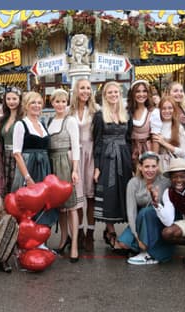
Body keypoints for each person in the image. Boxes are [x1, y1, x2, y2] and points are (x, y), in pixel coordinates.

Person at [93, 81, 133, 248]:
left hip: (123, 157)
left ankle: (129, 234)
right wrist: (96, 166)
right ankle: (110, 231)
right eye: (110, 92)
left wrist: (131, 160)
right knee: (108, 194)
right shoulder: (100, 115)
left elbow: (129, 139)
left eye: (116, 92)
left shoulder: (126, 114)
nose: (113, 95)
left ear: (120, 93)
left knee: (124, 193)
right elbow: (97, 142)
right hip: (107, 158)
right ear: (105, 95)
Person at [114, 152, 172, 264]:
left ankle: (149, 251)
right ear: (140, 167)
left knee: (146, 212)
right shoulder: (133, 183)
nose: (150, 170)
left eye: (153, 166)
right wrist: (137, 237)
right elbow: (131, 212)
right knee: (122, 244)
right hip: (141, 217)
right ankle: (141, 244)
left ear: (158, 166)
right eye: (146, 166)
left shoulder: (165, 182)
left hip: (159, 218)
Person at [46, 89, 81, 262]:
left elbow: (76, 146)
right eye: (57, 101)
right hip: (53, 163)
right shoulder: (50, 120)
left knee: (72, 206)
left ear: (67, 102)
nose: (60, 104)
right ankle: (63, 239)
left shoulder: (71, 120)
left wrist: (75, 170)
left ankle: (74, 244)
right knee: (60, 206)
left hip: (65, 164)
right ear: (52, 103)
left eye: (63, 101)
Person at [11, 91, 54, 230]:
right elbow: (17, 153)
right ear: (26, 106)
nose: (36, 106)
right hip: (29, 166)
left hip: (44, 167)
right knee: (29, 203)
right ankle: (27, 243)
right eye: (33, 103)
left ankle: (41, 242)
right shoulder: (21, 124)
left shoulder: (42, 124)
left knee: (43, 203)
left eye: (39, 103)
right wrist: (27, 177)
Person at [68, 78, 100, 252]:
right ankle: (79, 231)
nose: (85, 91)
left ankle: (90, 234)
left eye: (88, 88)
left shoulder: (96, 111)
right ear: (76, 90)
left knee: (91, 197)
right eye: (82, 88)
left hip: (91, 155)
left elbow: (100, 138)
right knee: (78, 197)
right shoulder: (69, 111)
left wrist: (98, 164)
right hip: (75, 156)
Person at [0, 86, 23, 195]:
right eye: (8, 99)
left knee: (17, 186)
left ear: (20, 100)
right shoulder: (4, 119)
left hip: (18, 155)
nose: (11, 102)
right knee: (7, 188)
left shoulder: (23, 118)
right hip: (5, 156)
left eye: (14, 99)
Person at [152, 96, 185, 172]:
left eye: (170, 108)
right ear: (159, 110)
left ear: (174, 110)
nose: (167, 111)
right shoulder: (155, 125)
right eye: (163, 108)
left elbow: (183, 152)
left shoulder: (179, 128)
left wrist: (164, 143)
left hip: (174, 165)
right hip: (159, 165)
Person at [126, 80, 154, 171]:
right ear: (132, 94)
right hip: (132, 152)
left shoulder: (153, 112)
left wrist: (154, 157)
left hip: (148, 150)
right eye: (138, 91)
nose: (141, 94)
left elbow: (156, 137)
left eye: (144, 91)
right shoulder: (127, 112)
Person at [160, 159, 185, 251]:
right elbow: (168, 221)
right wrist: (156, 205)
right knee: (167, 233)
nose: (178, 180)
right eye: (175, 177)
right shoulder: (169, 192)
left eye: (182, 176)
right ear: (170, 179)